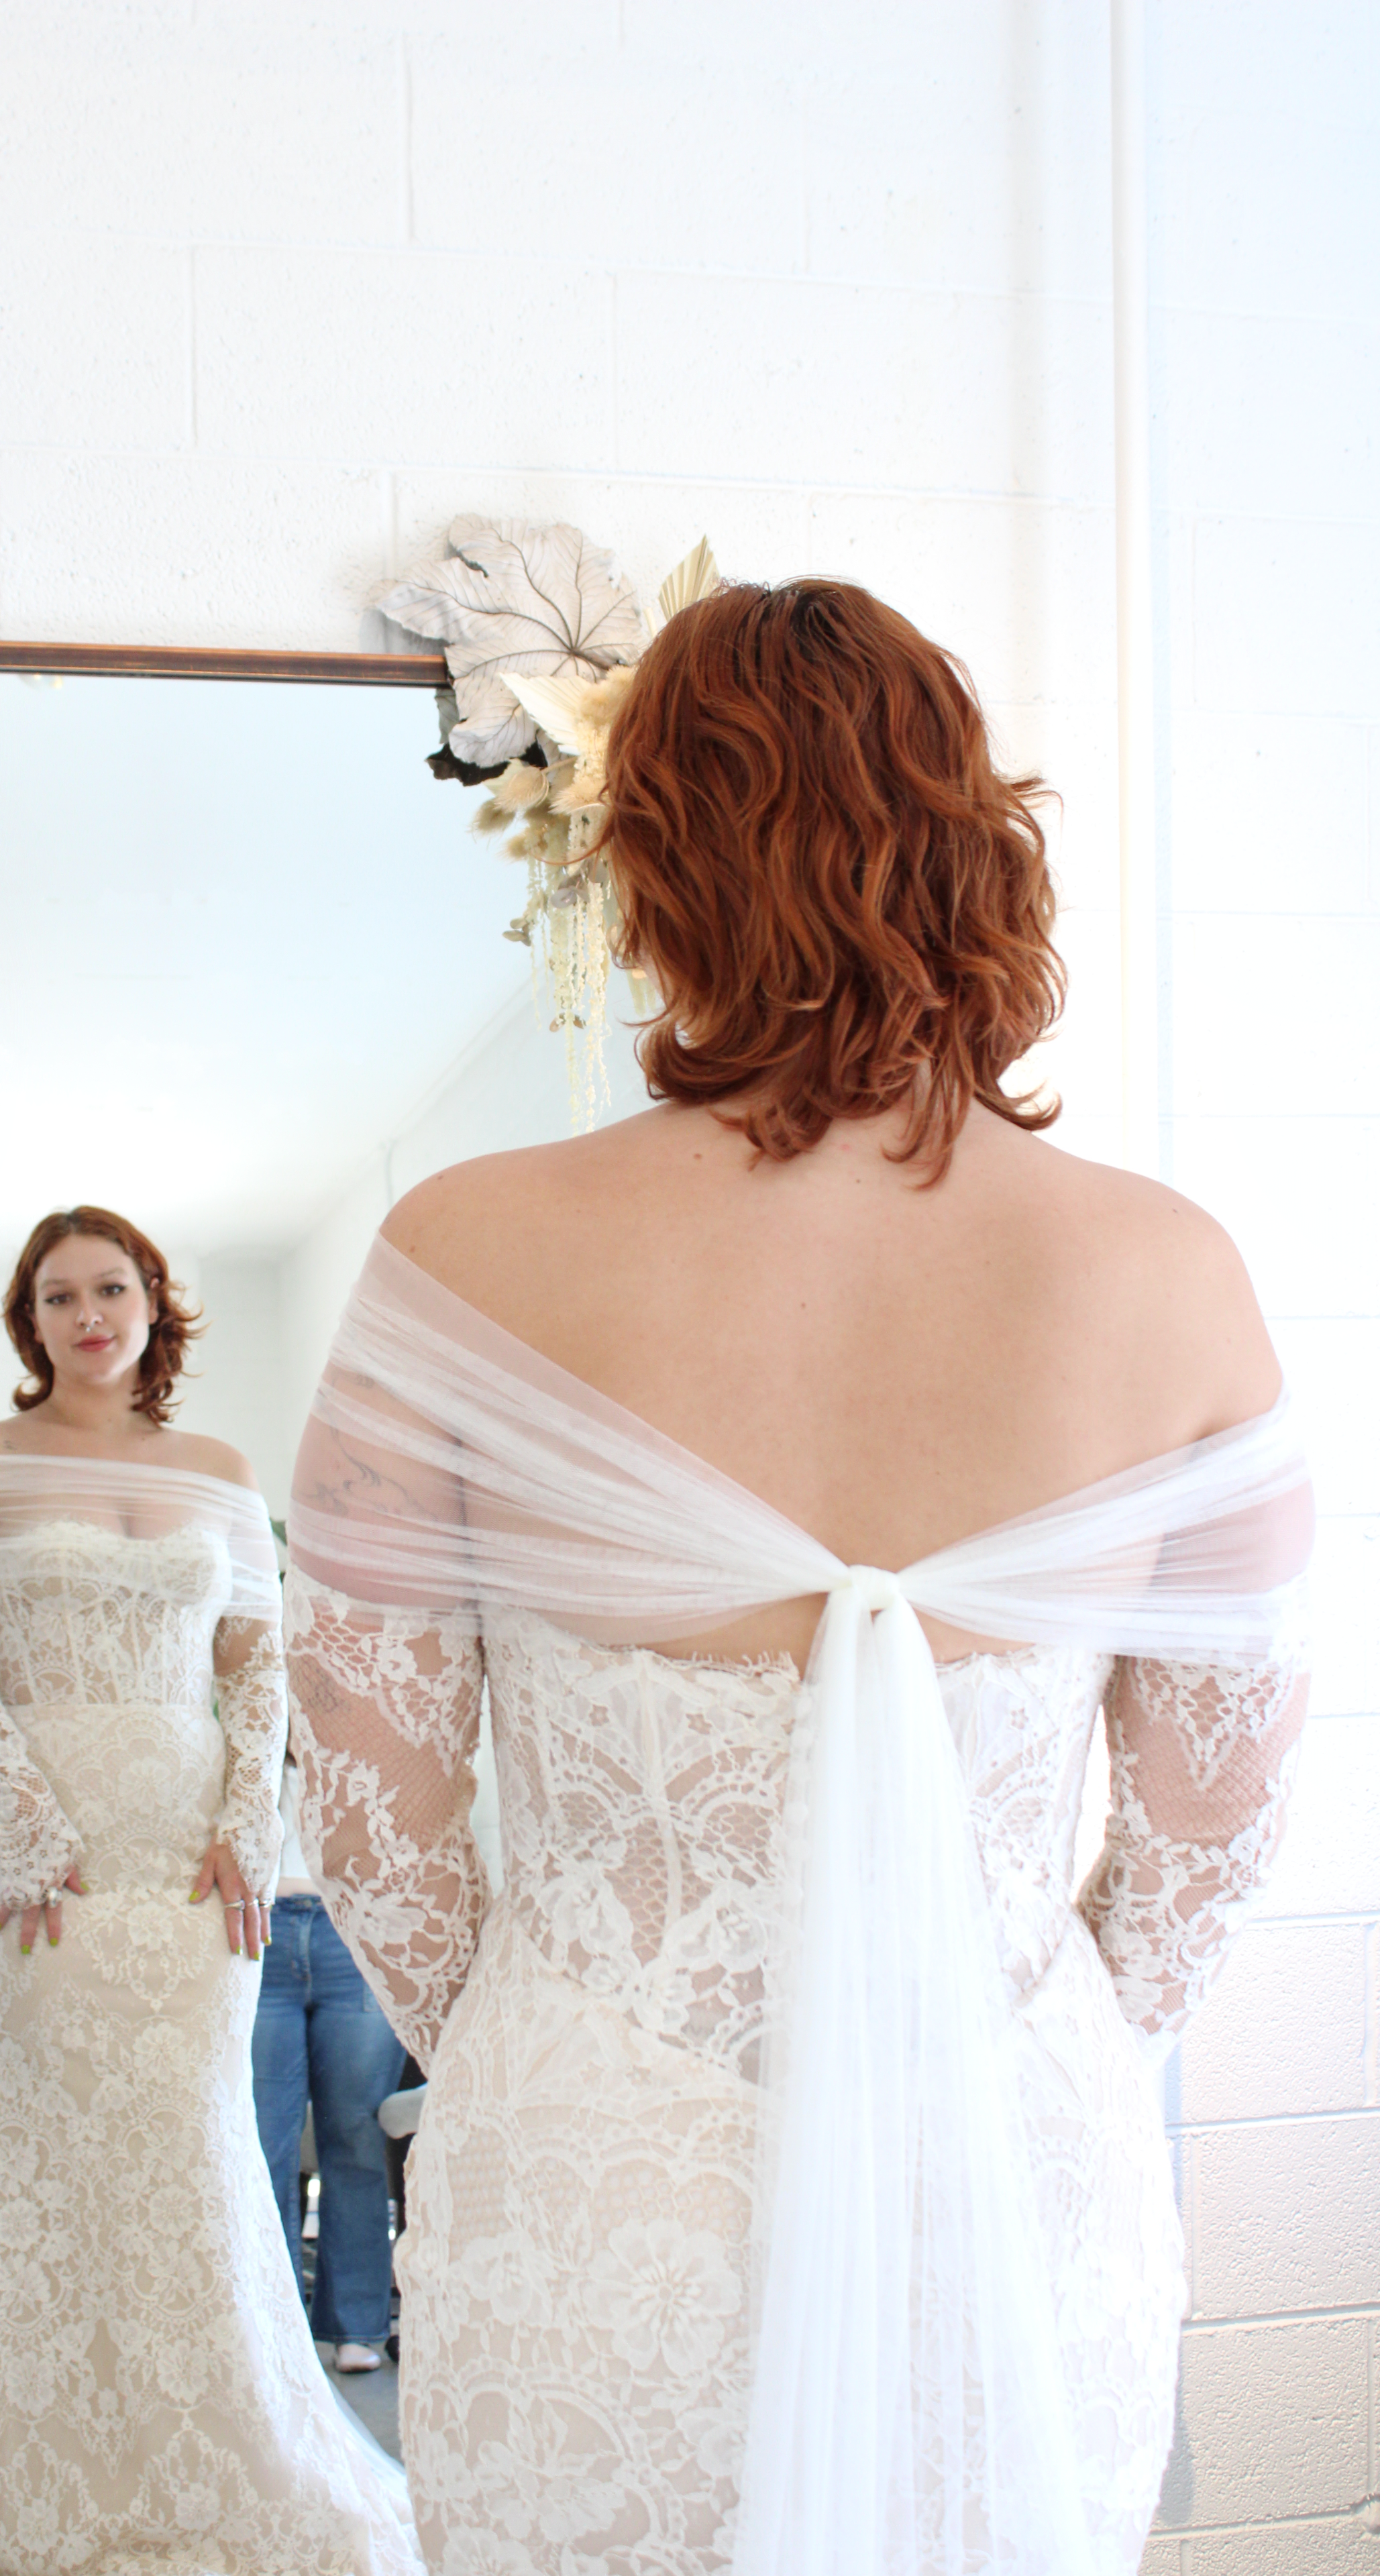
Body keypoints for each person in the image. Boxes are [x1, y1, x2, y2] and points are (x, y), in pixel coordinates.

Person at [282, 583, 1313, 2576]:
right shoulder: (1166, 1271)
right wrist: (1021, 2022)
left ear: (651, 864)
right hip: (1015, 2170)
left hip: (598, 2182)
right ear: (971, 846)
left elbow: (372, 1794)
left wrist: (539, 2027)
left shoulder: (467, 1252)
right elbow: (1210, 1826)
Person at [0, 1206, 420, 2576]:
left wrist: (243, 1822)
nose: (86, 1316)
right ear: (26, 1324)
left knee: (203, 2151)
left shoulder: (216, 1470)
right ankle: (38, 2472)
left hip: (193, 1868)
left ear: (154, 1307)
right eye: (56, 1298)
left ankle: (222, 2460)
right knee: (57, 2149)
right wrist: (28, 1815)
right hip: (44, 1863)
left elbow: (254, 1667)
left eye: (110, 1290)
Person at [251, 1760, 407, 2373]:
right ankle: (273, 2323)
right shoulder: (241, 1706)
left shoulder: (360, 1716)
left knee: (358, 2136)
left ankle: (358, 2328)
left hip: (354, 1929)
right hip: (255, 1927)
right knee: (265, 2144)